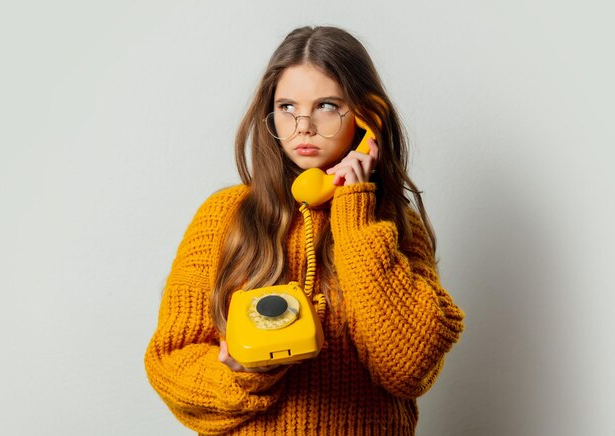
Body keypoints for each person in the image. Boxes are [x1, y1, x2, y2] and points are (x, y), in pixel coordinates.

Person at [144, 25, 465, 435]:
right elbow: (170, 362)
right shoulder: (224, 216)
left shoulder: (394, 223)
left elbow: (409, 367)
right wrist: (244, 375)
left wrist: (354, 214)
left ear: (368, 116)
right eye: (287, 107)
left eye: (327, 105)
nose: (303, 126)